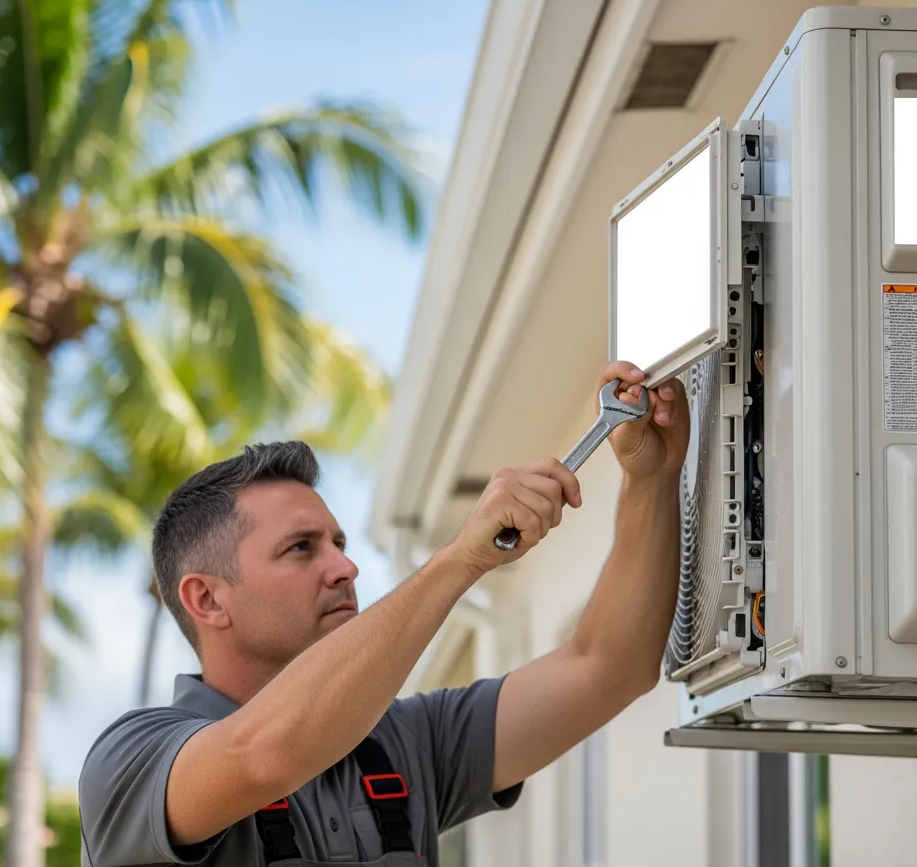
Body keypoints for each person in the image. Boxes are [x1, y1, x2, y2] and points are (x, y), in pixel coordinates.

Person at [78, 361, 688, 866]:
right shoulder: (130, 763)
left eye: (340, 544)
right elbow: (264, 756)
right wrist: (459, 561)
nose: (345, 569)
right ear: (206, 599)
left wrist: (653, 478)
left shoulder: (408, 741)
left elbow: (609, 666)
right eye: (301, 549)